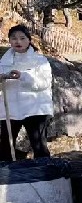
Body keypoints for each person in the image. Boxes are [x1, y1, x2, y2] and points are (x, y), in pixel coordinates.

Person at [0, 25, 53, 161]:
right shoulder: (3, 62)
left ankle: (45, 177)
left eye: (22, 38)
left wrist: (22, 76)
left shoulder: (40, 61)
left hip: (35, 108)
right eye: (14, 38)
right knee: (6, 146)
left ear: (29, 40)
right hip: (9, 109)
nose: (18, 42)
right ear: (9, 41)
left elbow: (44, 83)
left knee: (39, 146)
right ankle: (7, 178)